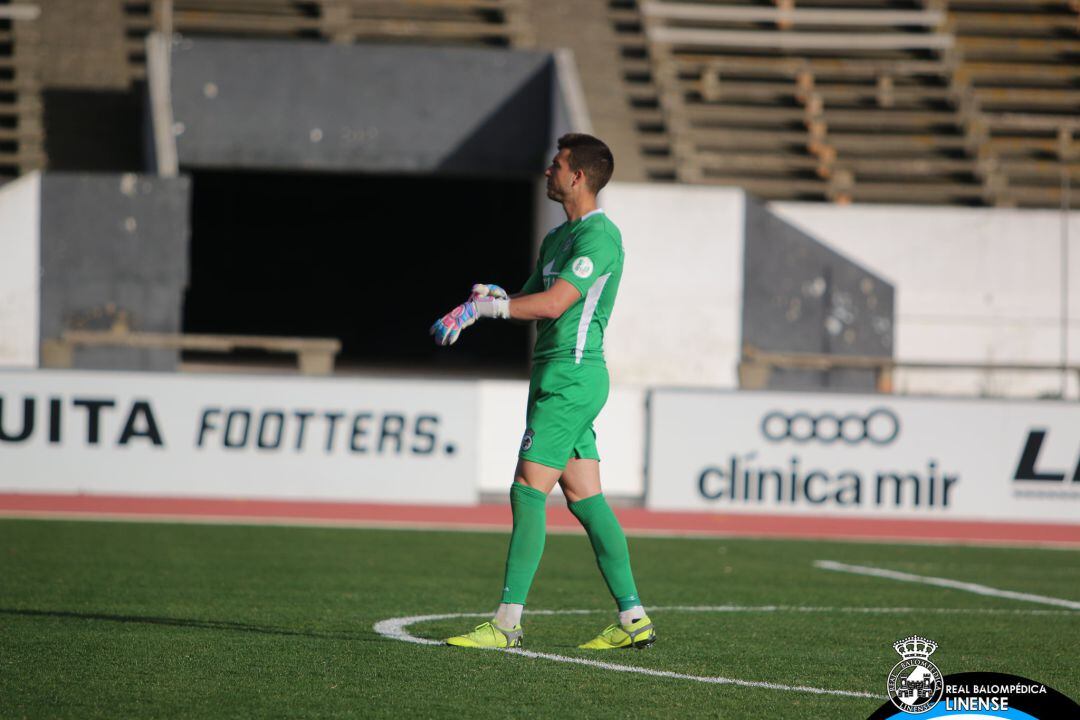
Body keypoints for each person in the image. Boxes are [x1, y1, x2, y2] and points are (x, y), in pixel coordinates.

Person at [430, 133, 655, 651]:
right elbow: (528, 297)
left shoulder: (600, 237)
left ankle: (506, 623)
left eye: (556, 165)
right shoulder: (557, 239)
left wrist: (496, 310)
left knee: (527, 490)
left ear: (578, 176)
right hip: (554, 375)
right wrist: (490, 298)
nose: (548, 172)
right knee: (584, 497)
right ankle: (633, 618)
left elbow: (554, 305)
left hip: (573, 377)